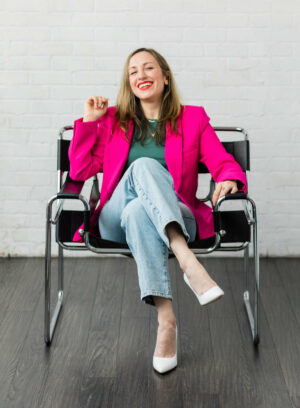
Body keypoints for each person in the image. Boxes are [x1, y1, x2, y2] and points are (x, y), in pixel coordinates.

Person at [68, 47, 247, 374]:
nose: (141, 75)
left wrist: (230, 178)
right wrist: (89, 122)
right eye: (133, 71)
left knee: (140, 211)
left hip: (177, 213)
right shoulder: (112, 122)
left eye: (149, 68)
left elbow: (222, 161)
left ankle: (166, 321)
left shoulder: (193, 118)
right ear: (129, 83)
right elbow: (80, 172)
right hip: (114, 221)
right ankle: (187, 260)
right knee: (143, 169)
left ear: (165, 77)